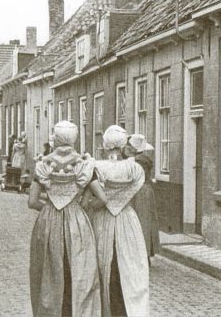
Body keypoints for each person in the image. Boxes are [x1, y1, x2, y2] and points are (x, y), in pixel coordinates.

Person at [28, 121, 104, 316]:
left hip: (48, 220)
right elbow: (102, 199)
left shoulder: (43, 164)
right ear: (74, 138)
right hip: (76, 220)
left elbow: (32, 201)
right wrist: (82, 207)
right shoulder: (85, 165)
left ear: (55, 137)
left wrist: (50, 208)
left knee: (48, 270)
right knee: (79, 270)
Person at [82, 125, 149, 316]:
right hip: (127, 220)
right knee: (129, 267)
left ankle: (106, 310)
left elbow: (94, 198)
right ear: (123, 145)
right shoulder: (134, 168)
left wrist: (97, 204)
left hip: (102, 220)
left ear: (106, 145)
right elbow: (132, 189)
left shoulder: (96, 166)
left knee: (103, 265)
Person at [124, 135, 160, 262]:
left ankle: (142, 254)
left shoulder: (137, 161)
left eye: (129, 146)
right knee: (146, 221)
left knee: (140, 222)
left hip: (139, 192)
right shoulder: (144, 159)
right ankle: (146, 253)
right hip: (146, 191)